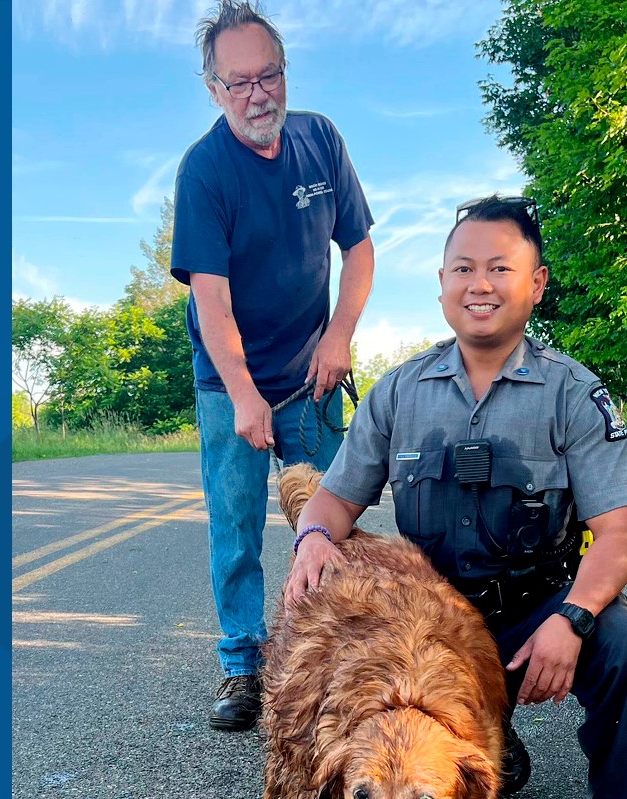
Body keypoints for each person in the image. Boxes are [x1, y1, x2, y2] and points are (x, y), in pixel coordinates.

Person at [283, 196, 627, 799]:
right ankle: (480, 742)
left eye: (501, 267)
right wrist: (310, 537)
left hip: (532, 612)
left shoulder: (571, 392)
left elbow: (620, 540)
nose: (481, 283)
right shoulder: (401, 390)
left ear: (536, 284)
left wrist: (574, 619)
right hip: (426, 625)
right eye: (464, 267)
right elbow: (335, 499)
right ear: (440, 284)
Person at [169, 0, 375, 731]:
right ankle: (242, 665)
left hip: (312, 370)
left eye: (269, 75)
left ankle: (337, 657)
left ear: (285, 71)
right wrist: (245, 395)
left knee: (332, 514)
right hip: (230, 380)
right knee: (236, 521)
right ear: (215, 89)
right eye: (239, 83)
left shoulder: (321, 141)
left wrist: (339, 335)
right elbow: (212, 303)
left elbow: (359, 249)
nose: (258, 95)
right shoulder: (205, 171)